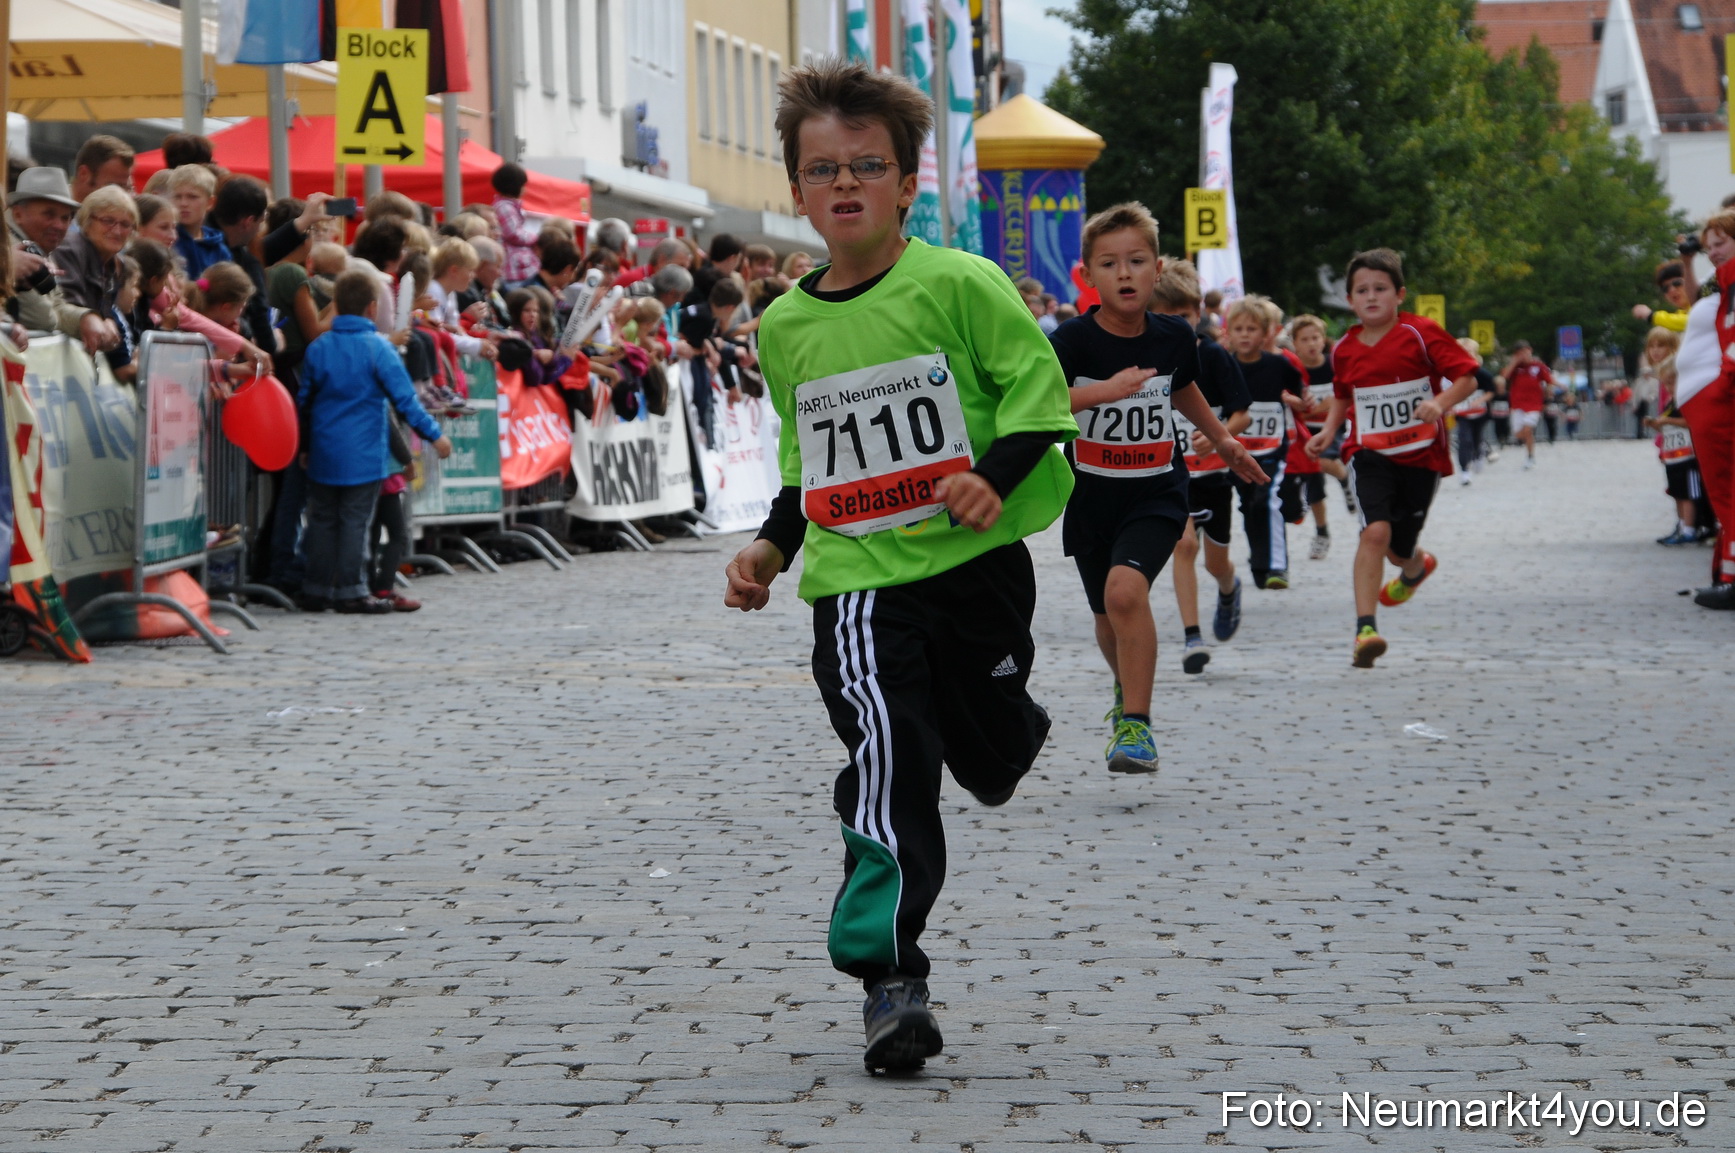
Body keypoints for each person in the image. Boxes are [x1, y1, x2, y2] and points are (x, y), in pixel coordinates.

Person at [723, 59, 1080, 1075]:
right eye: (822, 169)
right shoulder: (786, 325)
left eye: (866, 166)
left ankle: (1006, 727)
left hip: (977, 569)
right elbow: (809, 468)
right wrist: (768, 545)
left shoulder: (960, 283)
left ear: (906, 184)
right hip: (860, 584)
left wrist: (988, 475)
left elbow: (1038, 398)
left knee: (987, 752)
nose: (845, 185)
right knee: (890, 753)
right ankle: (890, 973)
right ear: (796, 192)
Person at [1050, 204, 1264, 771]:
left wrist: (1220, 439)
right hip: (1093, 493)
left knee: (1126, 593)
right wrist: (1105, 391)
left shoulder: (1174, 334)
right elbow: (1037, 401)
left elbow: (1182, 387)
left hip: (1156, 488)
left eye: (1136, 261)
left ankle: (1138, 728)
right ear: (1087, 275)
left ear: (1157, 268)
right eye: (1110, 263)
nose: (1124, 273)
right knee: (1105, 614)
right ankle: (1126, 696)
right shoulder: (1071, 340)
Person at [1304, 247, 1479, 667]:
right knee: (1374, 533)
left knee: (1399, 550)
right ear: (1349, 300)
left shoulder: (1421, 332)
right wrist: (1329, 430)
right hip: (1368, 453)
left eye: (1380, 288)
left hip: (1421, 456)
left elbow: (1468, 379)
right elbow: (1345, 395)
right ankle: (1365, 630)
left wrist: (1440, 402)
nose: (1371, 297)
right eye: (1361, 290)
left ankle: (1416, 566)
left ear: (1399, 294)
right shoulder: (1344, 348)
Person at [297, 269, 450, 613]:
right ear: (371, 308)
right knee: (355, 522)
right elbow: (406, 402)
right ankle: (351, 590)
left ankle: (317, 587)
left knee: (322, 520)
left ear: (336, 305)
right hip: (364, 453)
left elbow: (304, 402)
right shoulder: (379, 349)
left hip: (324, 449)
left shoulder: (318, 348)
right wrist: (435, 436)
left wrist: (306, 446)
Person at [1150, 260, 1251, 673]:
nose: (1176, 325)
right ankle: (1193, 636)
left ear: (1199, 314)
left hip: (1213, 476)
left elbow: (1242, 412)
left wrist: (1219, 433)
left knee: (1215, 562)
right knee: (1183, 545)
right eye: (1165, 316)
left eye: (1185, 316)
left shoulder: (1213, 356)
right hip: (1172, 477)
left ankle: (1229, 588)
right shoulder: (1147, 359)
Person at [1222, 296, 1305, 589]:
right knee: (1249, 506)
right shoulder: (1225, 365)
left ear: (1266, 333)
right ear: (1228, 332)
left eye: (1252, 329)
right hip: (1237, 452)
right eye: (1239, 329)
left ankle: (1277, 566)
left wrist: (1296, 400)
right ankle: (1260, 562)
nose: (1245, 335)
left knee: (1267, 501)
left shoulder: (1278, 365)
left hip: (1272, 450)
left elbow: (1299, 391)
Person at [1675, 212, 1735, 607]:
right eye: (1708, 245)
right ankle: (1726, 573)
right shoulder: (1723, 280)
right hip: (1708, 398)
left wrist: (1722, 387)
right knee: (1724, 494)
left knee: (1728, 493)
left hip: (1718, 397)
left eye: (1720, 243)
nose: (1712, 252)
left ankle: (1731, 579)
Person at [7, 166, 118, 352]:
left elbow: (55, 306)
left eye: (65, 218)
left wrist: (86, 318)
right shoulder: (13, 248)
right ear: (18, 214)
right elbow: (44, 318)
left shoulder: (38, 247)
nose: (59, 225)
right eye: (49, 214)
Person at [54, 185, 136, 316]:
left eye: (125, 224)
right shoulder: (69, 250)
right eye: (108, 221)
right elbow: (69, 308)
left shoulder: (112, 264)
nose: (117, 231)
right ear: (87, 221)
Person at [1497, 339, 1552, 469]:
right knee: (1518, 434)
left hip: (1534, 404)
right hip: (1517, 404)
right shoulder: (1515, 368)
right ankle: (1530, 452)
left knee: (1527, 429)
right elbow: (1504, 377)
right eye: (1519, 353)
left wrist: (1548, 397)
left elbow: (1549, 381)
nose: (1523, 355)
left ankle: (1530, 456)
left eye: (1525, 351)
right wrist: (1514, 362)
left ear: (1530, 351)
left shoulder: (1538, 366)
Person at [1452, 337, 1494, 485]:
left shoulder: (1481, 373)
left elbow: (1491, 391)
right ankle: (1464, 471)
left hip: (1479, 413)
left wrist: (1479, 401)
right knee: (1464, 439)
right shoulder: (1452, 371)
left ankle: (1478, 455)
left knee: (1476, 439)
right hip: (1462, 412)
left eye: (1468, 351)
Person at [490, 163, 540, 283]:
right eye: (523, 185)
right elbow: (514, 234)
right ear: (514, 186)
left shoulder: (507, 206)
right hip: (513, 268)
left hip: (516, 265)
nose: (525, 189)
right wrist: (535, 237)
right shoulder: (505, 207)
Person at [69, 135, 135, 204]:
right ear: (83, 174)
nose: (122, 197)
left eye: (127, 189)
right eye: (113, 187)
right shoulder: (59, 205)